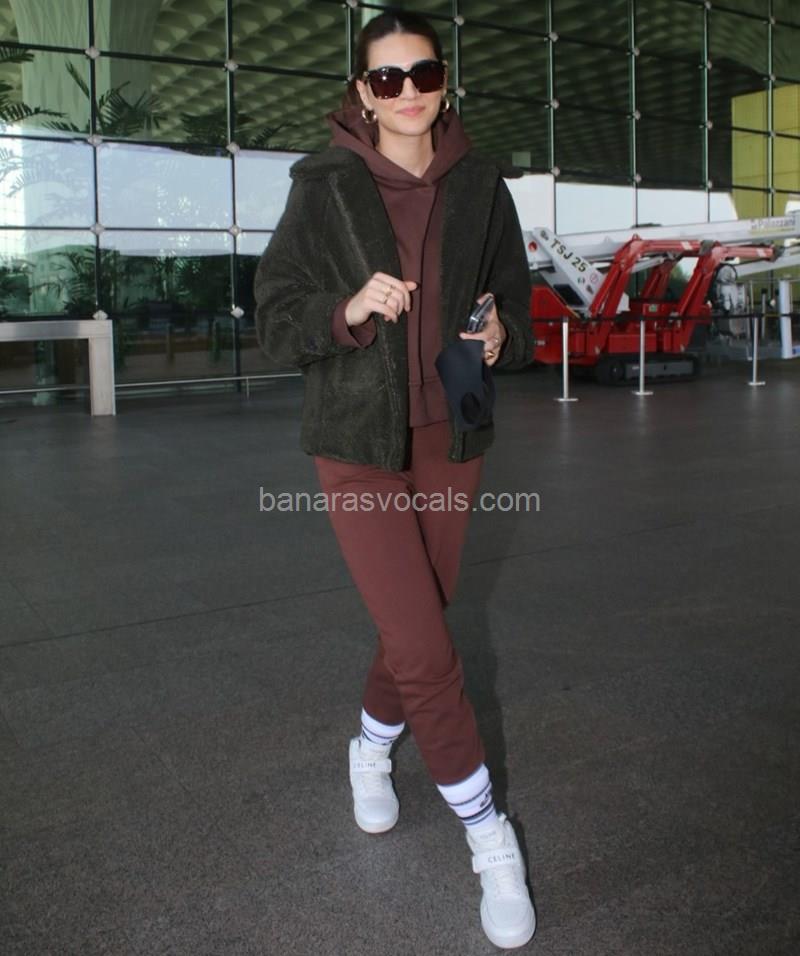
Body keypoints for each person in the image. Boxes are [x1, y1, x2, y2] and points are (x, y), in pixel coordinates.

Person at [254, 10, 536, 950]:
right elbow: (276, 314)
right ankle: (488, 837)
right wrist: (345, 311)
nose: (408, 91)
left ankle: (371, 746)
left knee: (422, 614)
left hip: (452, 428)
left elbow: (516, 304)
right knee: (422, 640)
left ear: (445, 81)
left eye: (423, 73)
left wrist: (500, 335)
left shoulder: (482, 184)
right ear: (362, 95)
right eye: (387, 79)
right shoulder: (323, 185)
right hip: (357, 440)